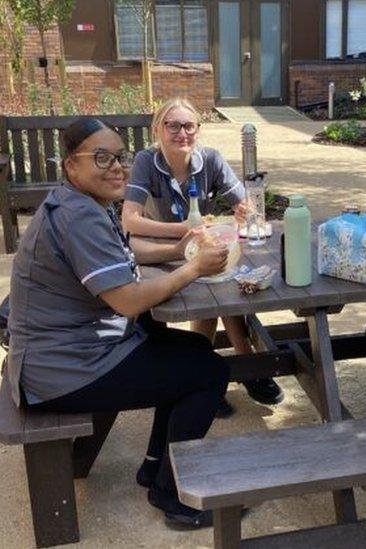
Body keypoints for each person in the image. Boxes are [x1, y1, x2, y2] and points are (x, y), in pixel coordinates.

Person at [8, 117, 231, 528]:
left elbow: (121, 255)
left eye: (120, 157)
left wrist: (176, 246)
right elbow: (128, 301)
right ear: (71, 166)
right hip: (64, 369)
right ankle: (175, 498)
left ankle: (154, 468)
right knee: (209, 371)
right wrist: (193, 268)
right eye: (101, 157)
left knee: (193, 351)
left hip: (64, 354)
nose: (117, 167)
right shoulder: (79, 216)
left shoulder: (81, 203)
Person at [122, 97, 284, 416]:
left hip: (199, 250)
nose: (182, 133)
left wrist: (245, 210)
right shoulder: (146, 161)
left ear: (198, 130)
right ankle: (242, 364)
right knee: (213, 283)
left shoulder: (209, 159)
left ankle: (211, 375)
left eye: (189, 126)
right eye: (173, 125)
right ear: (158, 128)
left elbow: (244, 203)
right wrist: (183, 231)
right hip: (160, 254)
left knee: (219, 279)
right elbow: (130, 220)